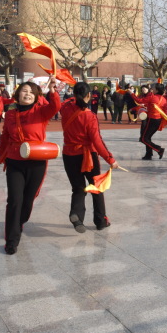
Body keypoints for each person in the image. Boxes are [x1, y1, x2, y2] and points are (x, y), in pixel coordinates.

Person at [0, 79, 61, 254]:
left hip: (36, 162)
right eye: (24, 91)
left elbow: (55, 107)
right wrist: (2, 154)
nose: (27, 94)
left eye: (32, 92)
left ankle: (19, 222)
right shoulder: (10, 114)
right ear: (18, 94)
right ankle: (11, 241)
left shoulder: (41, 112)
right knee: (14, 200)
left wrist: (53, 91)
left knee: (28, 200)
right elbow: (5, 136)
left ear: (36, 96)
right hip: (14, 161)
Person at [60, 82, 118, 232]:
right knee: (96, 187)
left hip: (69, 154)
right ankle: (101, 220)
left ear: (74, 94)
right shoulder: (89, 116)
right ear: (89, 95)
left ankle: (76, 215)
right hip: (88, 156)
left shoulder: (65, 109)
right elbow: (97, 141)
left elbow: (63, 103)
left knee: (78, 188)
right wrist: (110, 159)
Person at [134, 83, 166, 160]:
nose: (152, 89)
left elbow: (138, 100)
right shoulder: (163, 99)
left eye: (153, 88)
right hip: (158, 120)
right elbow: (164, 111)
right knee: (147, 138)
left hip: (152, 120)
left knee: (143, 139)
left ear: (157, 90)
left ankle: (159, 149)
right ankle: (149, 154)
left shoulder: (153, 97)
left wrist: (131, 93)